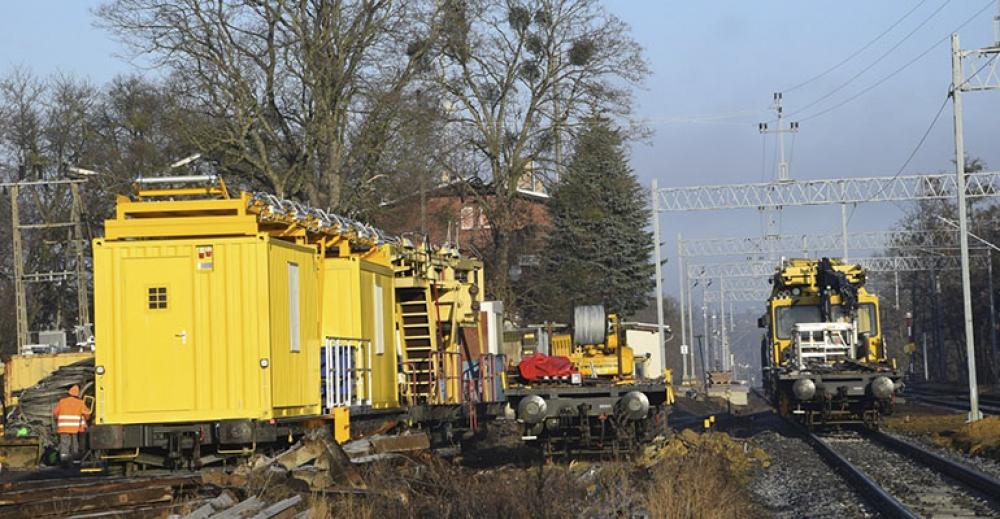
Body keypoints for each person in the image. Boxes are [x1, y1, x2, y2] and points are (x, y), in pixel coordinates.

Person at [52, 385, 90, 466]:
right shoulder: (80, 403)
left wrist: (58, 419)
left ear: (69, 393)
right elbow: (87, 413)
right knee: (74, 444)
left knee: (64, 444)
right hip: (74, 428)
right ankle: (75, 460)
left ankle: (64, 460)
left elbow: (55, 413)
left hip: (63, 427)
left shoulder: (62, 401)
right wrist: (86, 419)